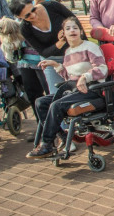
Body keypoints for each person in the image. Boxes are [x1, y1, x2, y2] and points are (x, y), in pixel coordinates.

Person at [26, 17, 108, 159]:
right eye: (68, 28)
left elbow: (102, 68)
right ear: (63, 33)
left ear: (81, 31)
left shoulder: (90, 47)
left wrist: (85, 77)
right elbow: (69, 77)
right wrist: (55, 65)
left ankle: (46, 144)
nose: (72, 30)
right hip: (74, 90)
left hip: (91, 90)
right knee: (41, 102)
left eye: (75, 28)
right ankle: (62, 136)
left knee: (57, 105)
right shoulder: (68, 52)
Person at [8, 0, 74, 94]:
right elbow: (43, 52)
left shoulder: (52, 6)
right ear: (19, 17)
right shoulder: (25, 29)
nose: (34, 15)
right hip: (51, 60)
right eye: (28, 16)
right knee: (57, 94)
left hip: (73, 53)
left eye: (33, 9)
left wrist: (81, 47)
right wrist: (60, 42)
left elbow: (75, 22)